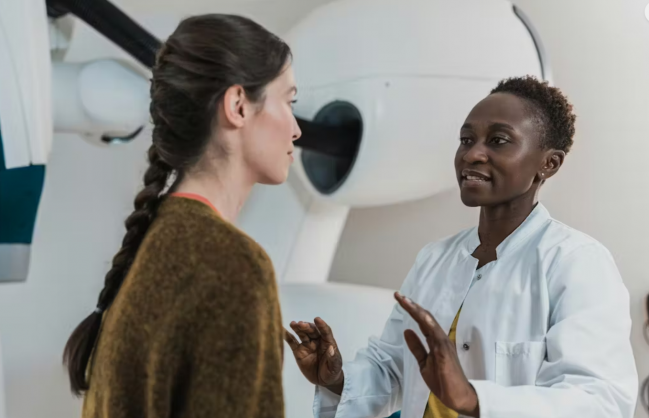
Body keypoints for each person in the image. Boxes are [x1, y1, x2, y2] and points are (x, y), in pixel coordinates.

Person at [285, 76, 638, 418]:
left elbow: (599, 401)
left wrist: (474, 399)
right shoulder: (435, 258)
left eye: (498, 141)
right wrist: (337, 379)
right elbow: (394, 367)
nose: (472, 154)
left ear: (549, 163)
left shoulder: (576, 262)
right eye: (466, 140)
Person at [63, 14, 301, 418]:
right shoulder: (234, 265)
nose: (296, 129)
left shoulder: (151, 244)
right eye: (289, 102)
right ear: (238, 106)